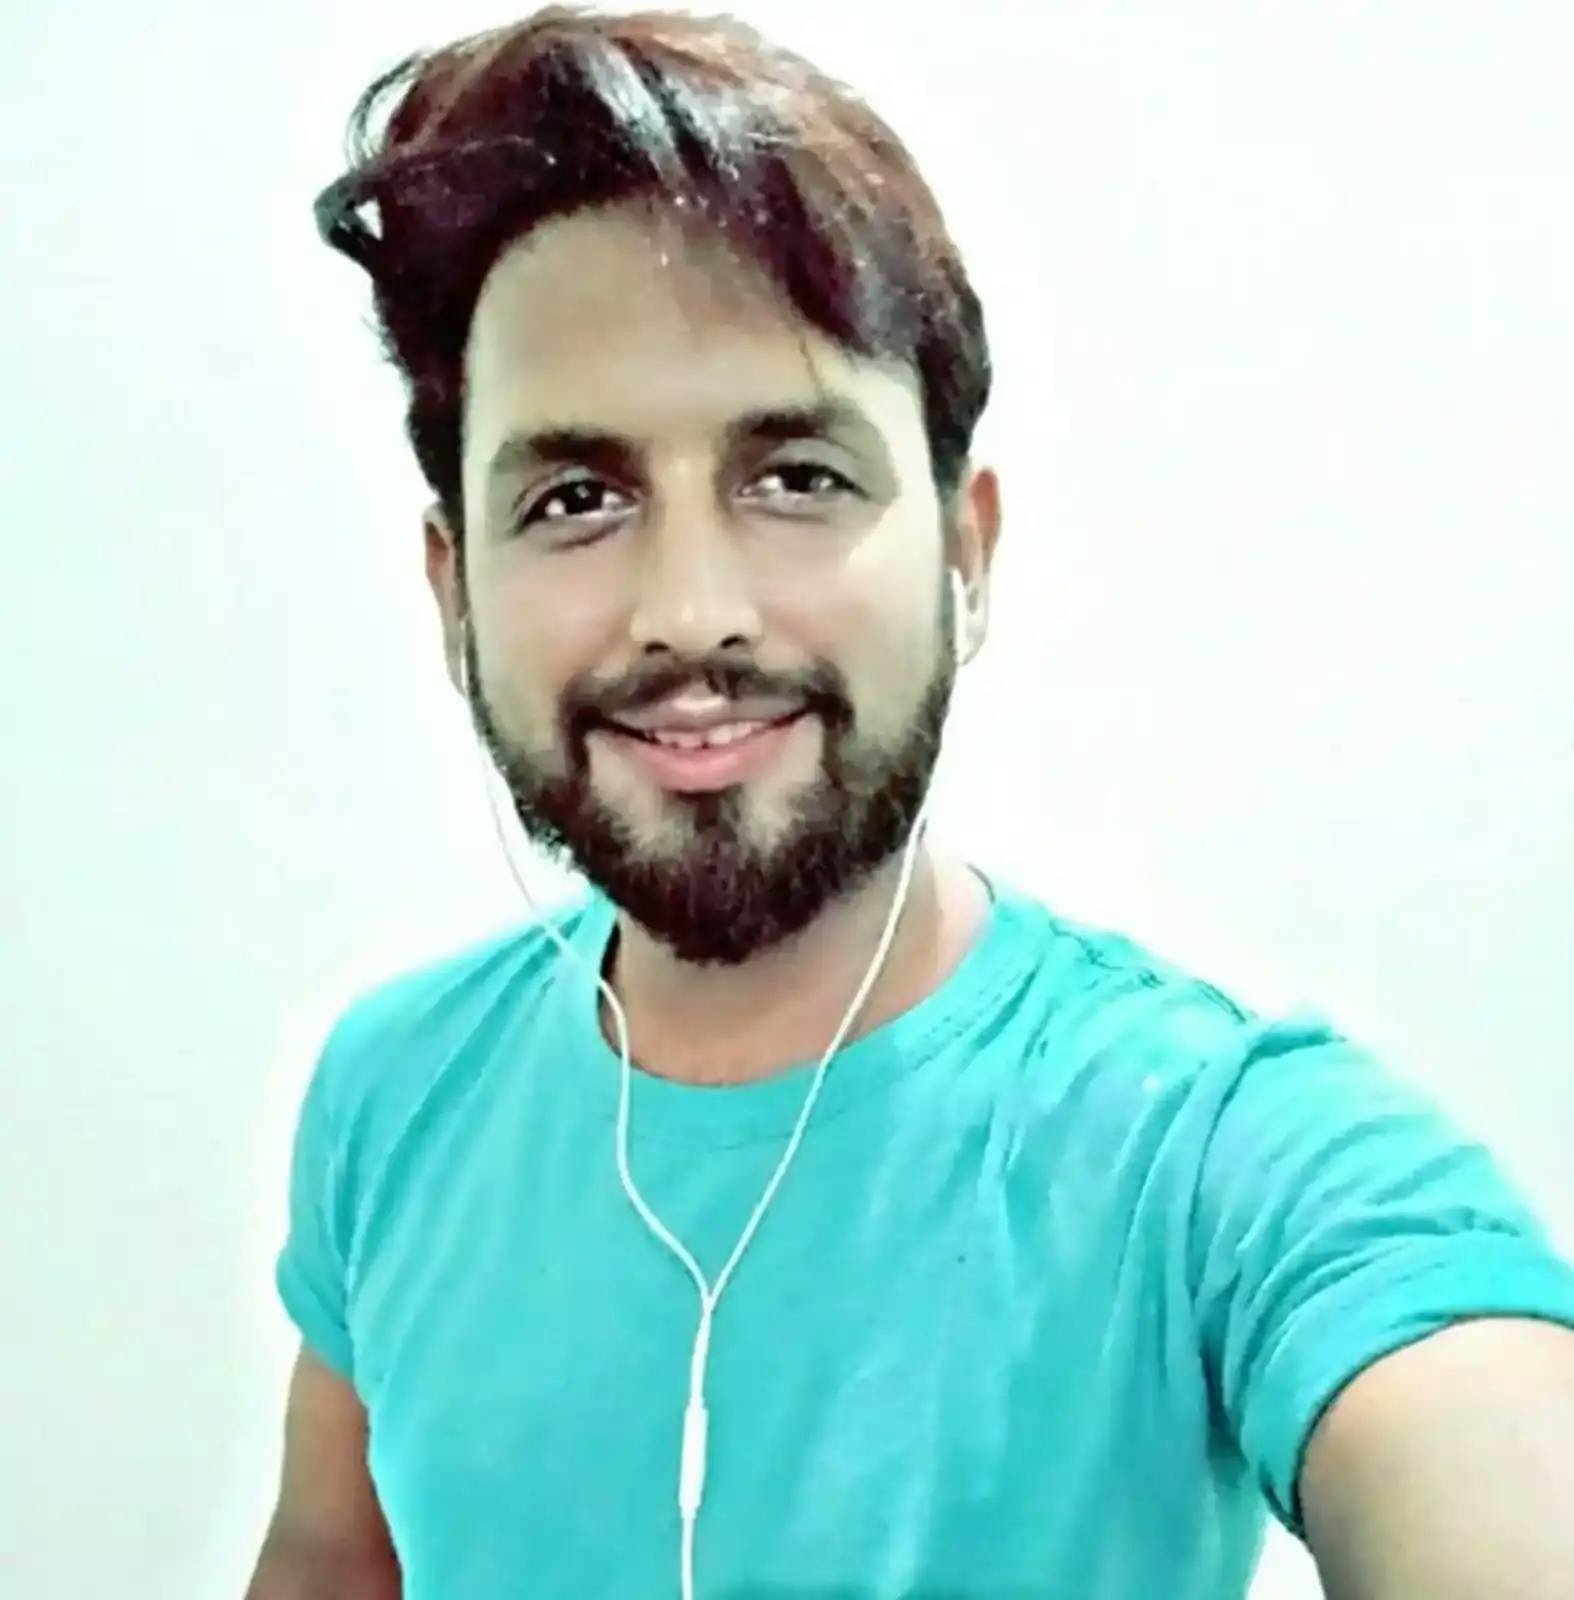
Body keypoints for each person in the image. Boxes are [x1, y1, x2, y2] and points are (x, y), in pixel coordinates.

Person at [247, 8, 1574, 1598]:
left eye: (795, 477)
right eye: (575, 498)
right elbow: (327, 1560)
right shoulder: (392, 1092)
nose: (689, 614)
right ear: (451, 588)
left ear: (965, 550)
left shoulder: (1213, 1153)